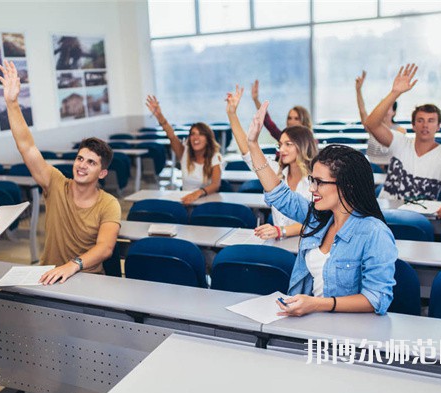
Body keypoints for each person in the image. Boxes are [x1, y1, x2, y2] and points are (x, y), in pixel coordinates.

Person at [246, 101, 397, 317]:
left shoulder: (375, 233)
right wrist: (253, 143)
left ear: (347, 186)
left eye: (320, 183)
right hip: (309, 321)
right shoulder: (319, 218)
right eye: (312, 181)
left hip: (347, 333)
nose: (313, 189)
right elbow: (279, 194)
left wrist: (318, 304)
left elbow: (377, 298)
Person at [0, 61, 121, 284]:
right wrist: (12, 103)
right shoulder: (55, 183)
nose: (82, 165)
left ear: (102, 174)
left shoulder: (109, 204)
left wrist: (73, 265)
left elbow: (105, 247)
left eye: (91, 163)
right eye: (80, 158)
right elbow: (27, 146)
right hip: (49, 276)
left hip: (88, 279)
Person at [364, 64, 441, 220]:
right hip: (384, 214)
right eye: (420, 120)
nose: (425, 125)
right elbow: (371, 124)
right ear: (413, 125)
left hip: (419, 217)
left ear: (438, 126)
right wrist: (395, 92)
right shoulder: (400, 141)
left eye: (431, 121)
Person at [226, 85, 318, 240]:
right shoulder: (276, 170)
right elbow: (248, 152)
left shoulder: (317, 178)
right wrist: (232, 114)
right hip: (280, 243)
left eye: (288, 144)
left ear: (303, 146)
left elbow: (320, 220)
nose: (281, 149)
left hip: (308, 244)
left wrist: (281, 230)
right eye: (280, 144)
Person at [145, 95, 222, 204]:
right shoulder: (184, 153)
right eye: (193, 134)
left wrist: (198, 193)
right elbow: (171, 135)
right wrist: (159, 116)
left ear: (208, 139)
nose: (195, 138)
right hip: (186, 200)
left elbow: (215, 185)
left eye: (200, 134)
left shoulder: (215, 156)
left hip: (207, 201)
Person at [355, 70, 407, 167]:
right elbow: (362, 111)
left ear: (394, 112)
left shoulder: (400, 130)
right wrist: (358, 90)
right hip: (371, 169)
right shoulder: (371, 126)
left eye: (388, 108)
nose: (384, 111)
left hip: (389, 171)